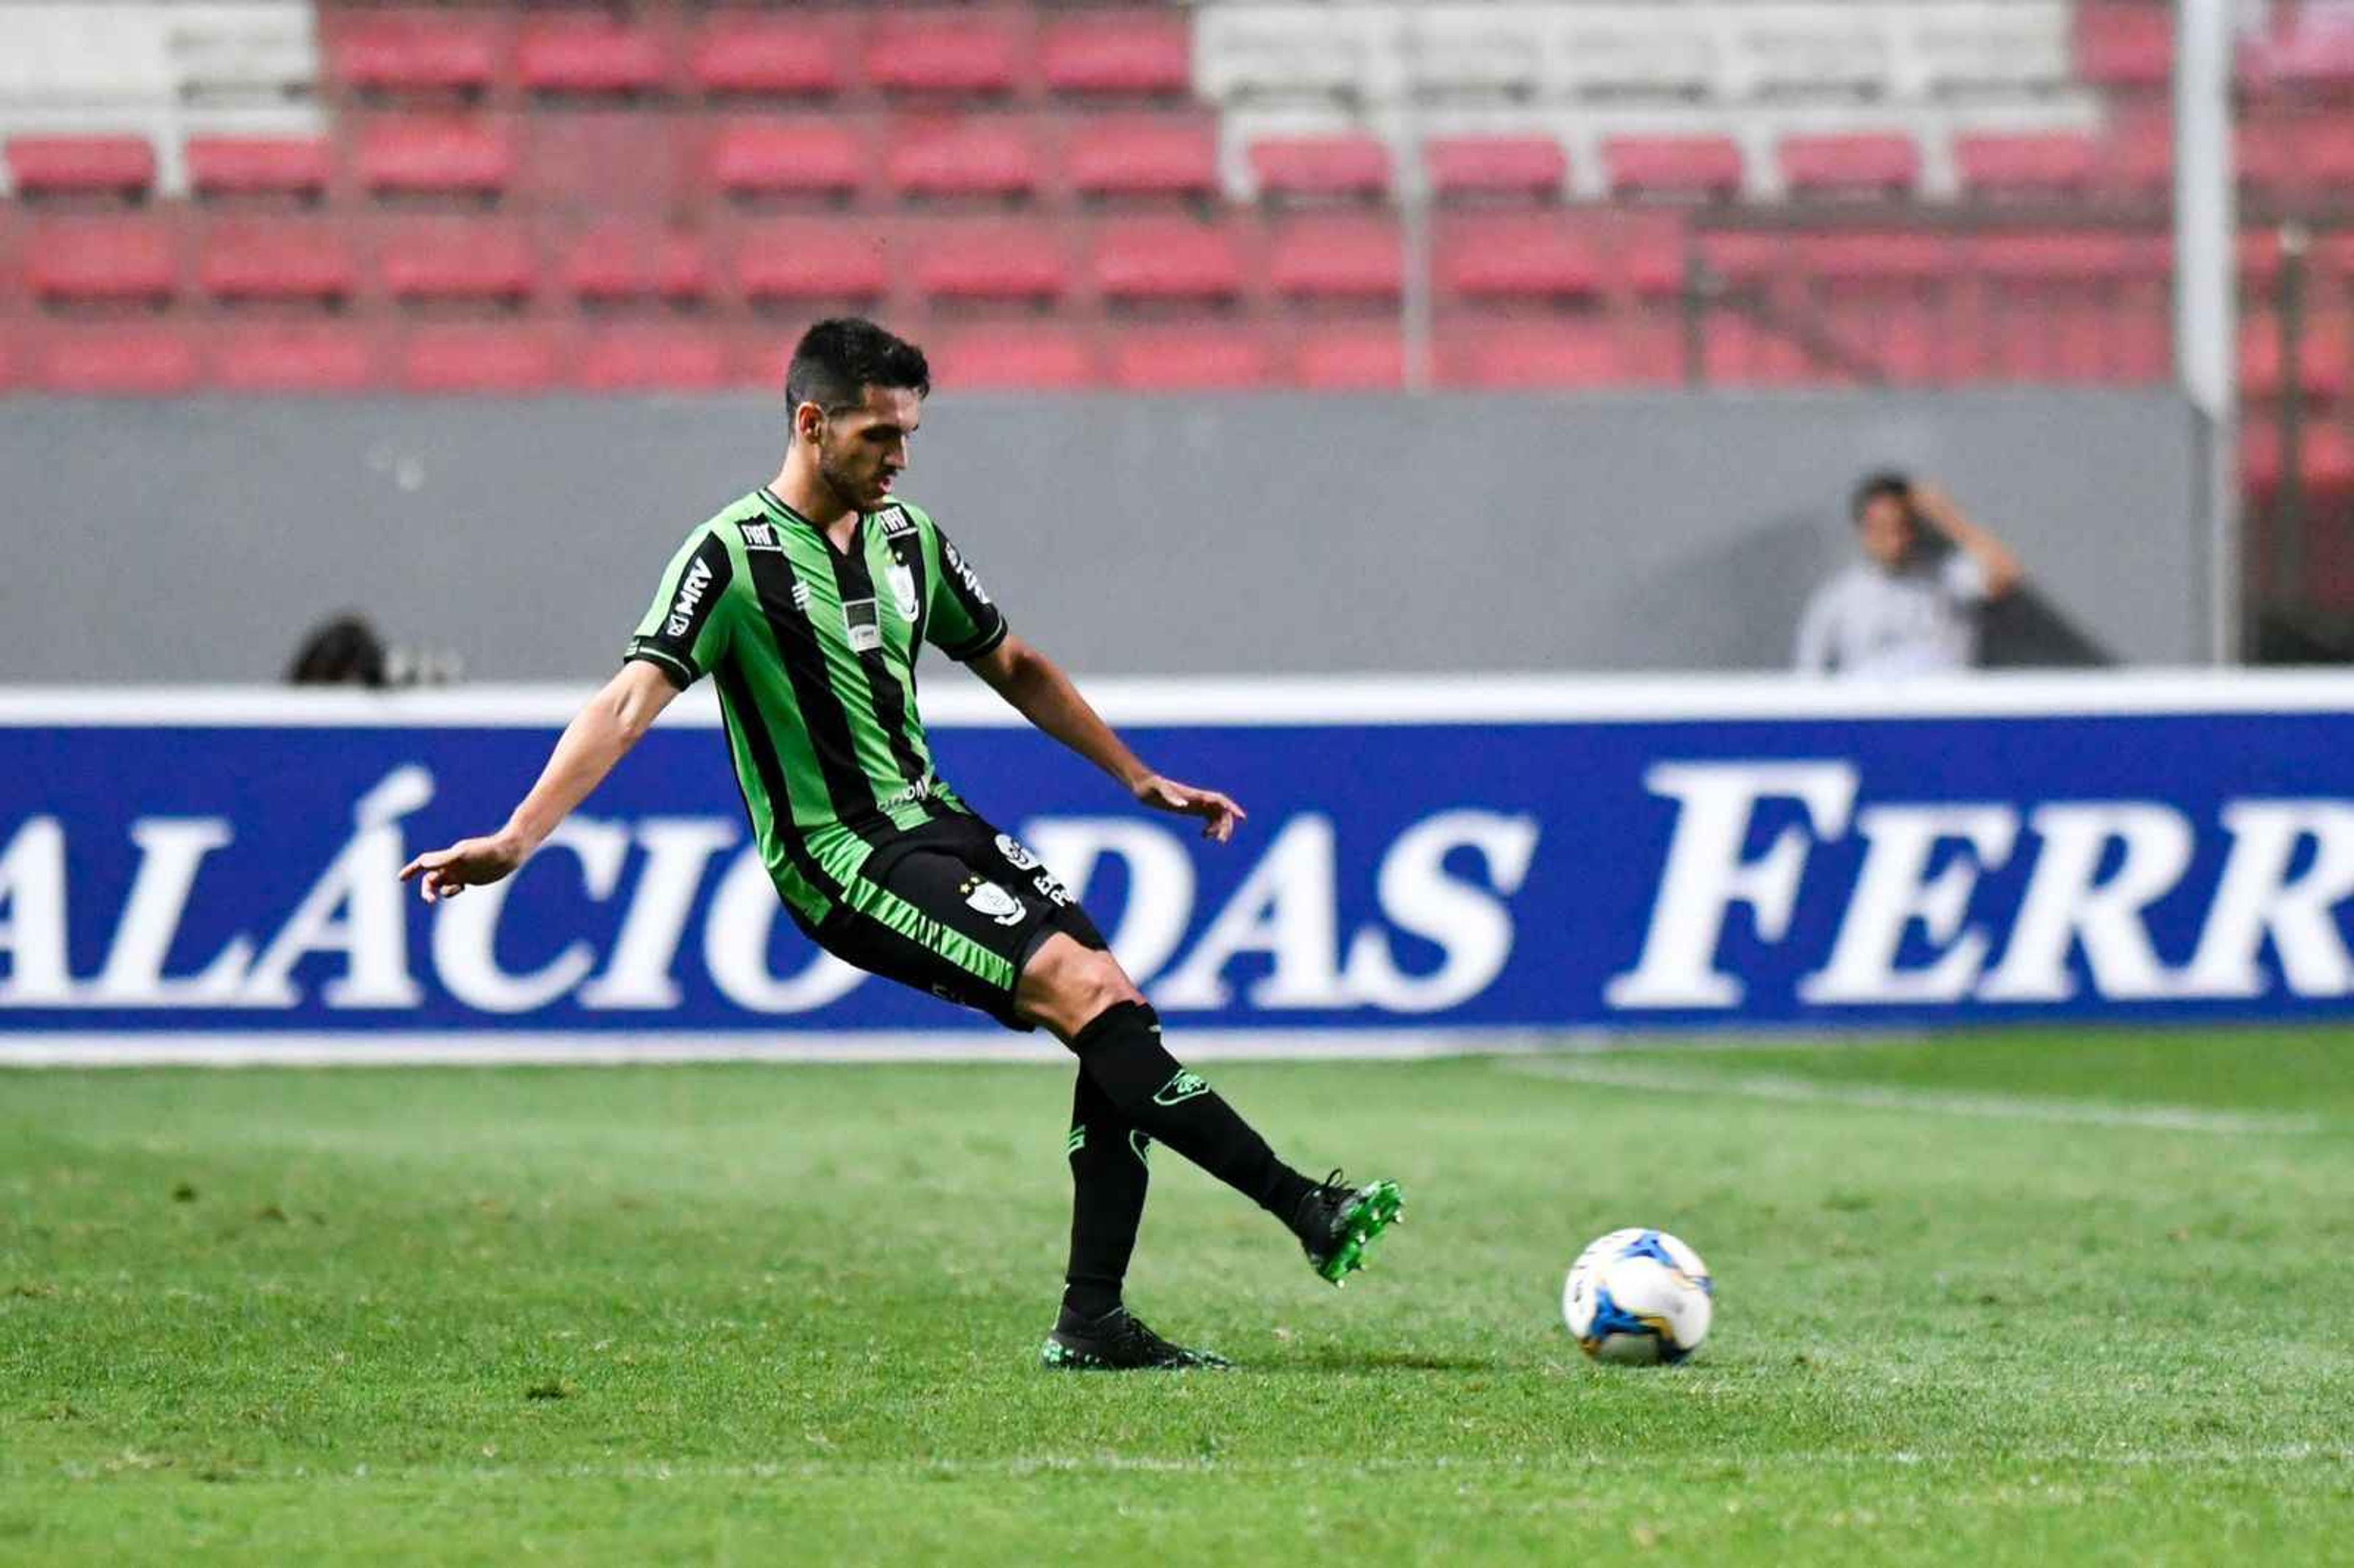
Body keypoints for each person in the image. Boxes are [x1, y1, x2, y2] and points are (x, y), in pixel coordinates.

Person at [397, 318, 1402, 1372]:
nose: (900, 456)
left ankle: (1094, 1318)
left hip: (938, 820)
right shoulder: (729, 558)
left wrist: (1133, 772)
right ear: (811, 422)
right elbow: (627, 701)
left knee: (1111, 1002)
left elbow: (1010, 658)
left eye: (910, 433)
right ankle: (1300, 1203)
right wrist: (519, 836)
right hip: (841, 857)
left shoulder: (908, 537)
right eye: (880, 435)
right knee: (1084, 990)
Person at [1793, 472, 2025, 676]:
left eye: (1900, 527)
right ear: (1863, 530)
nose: (1893, 541)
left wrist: (1948, 517)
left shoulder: (1948, 578)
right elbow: (1809, 678)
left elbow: (2007, 574)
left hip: (1944, 716)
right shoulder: (1837, 599)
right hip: (1872, 719)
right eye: (1881, 529)